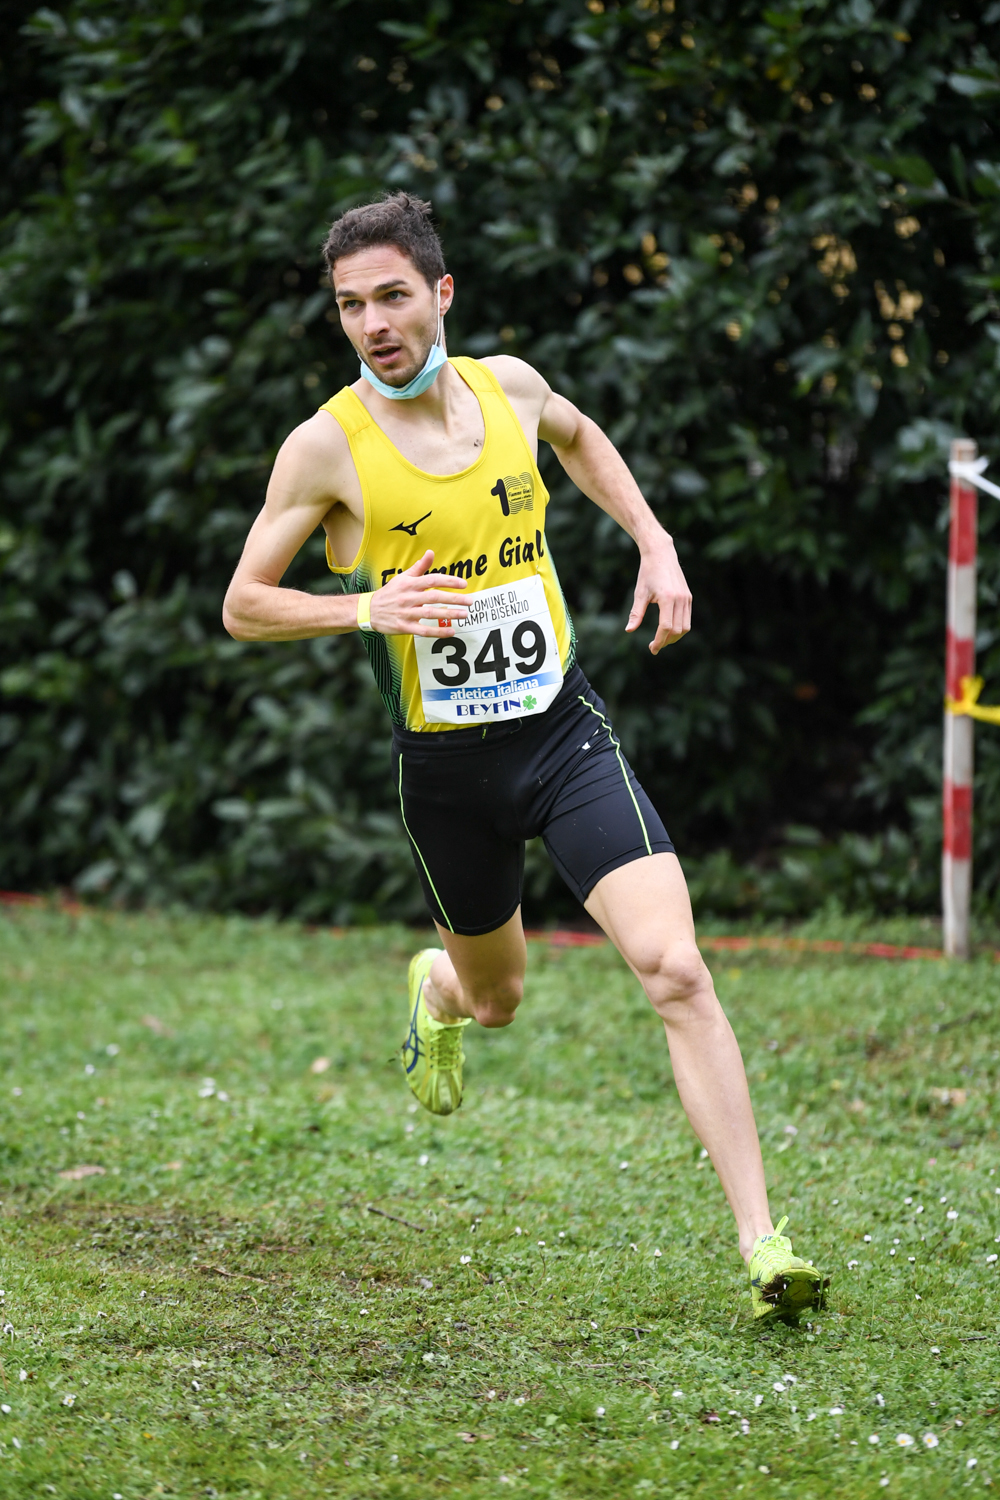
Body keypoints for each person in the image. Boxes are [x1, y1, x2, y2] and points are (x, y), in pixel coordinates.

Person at [223, 191, 826, 1320]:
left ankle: (764, 1243)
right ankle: (440, 990)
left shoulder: (510, 387)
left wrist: (653, 541)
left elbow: (580, 439)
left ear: (442, 292)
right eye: (350, 306)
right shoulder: (326, 447)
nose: (373, 324)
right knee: (497, 1002)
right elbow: (243, 603)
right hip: (447, 775)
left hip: (561, 733)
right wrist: (364, 611)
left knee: (676, 969)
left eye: (392, 296)